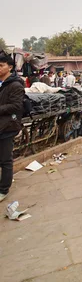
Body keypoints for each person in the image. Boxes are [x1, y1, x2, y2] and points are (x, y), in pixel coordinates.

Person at [0, 53, 24, 201]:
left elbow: (16, 106)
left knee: (6, 159)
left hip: (8, 126)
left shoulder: (15, 84)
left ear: (10, 67)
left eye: (1, 65)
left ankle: (3, 189)